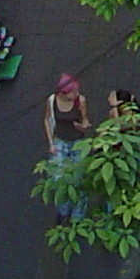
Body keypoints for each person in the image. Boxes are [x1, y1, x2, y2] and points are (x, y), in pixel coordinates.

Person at [44, 74, 93, 220]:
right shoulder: (52, 101)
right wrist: (51, 143)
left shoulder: (80, 101)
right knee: (58, 179)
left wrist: (81, 126)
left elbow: (84, 122)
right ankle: (63, 210)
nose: (77, 94)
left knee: (78, 180)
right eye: (74, 92)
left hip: (77, 142)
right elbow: (46, 119)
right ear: (64, 93)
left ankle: (78, 215)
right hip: (60, 140)